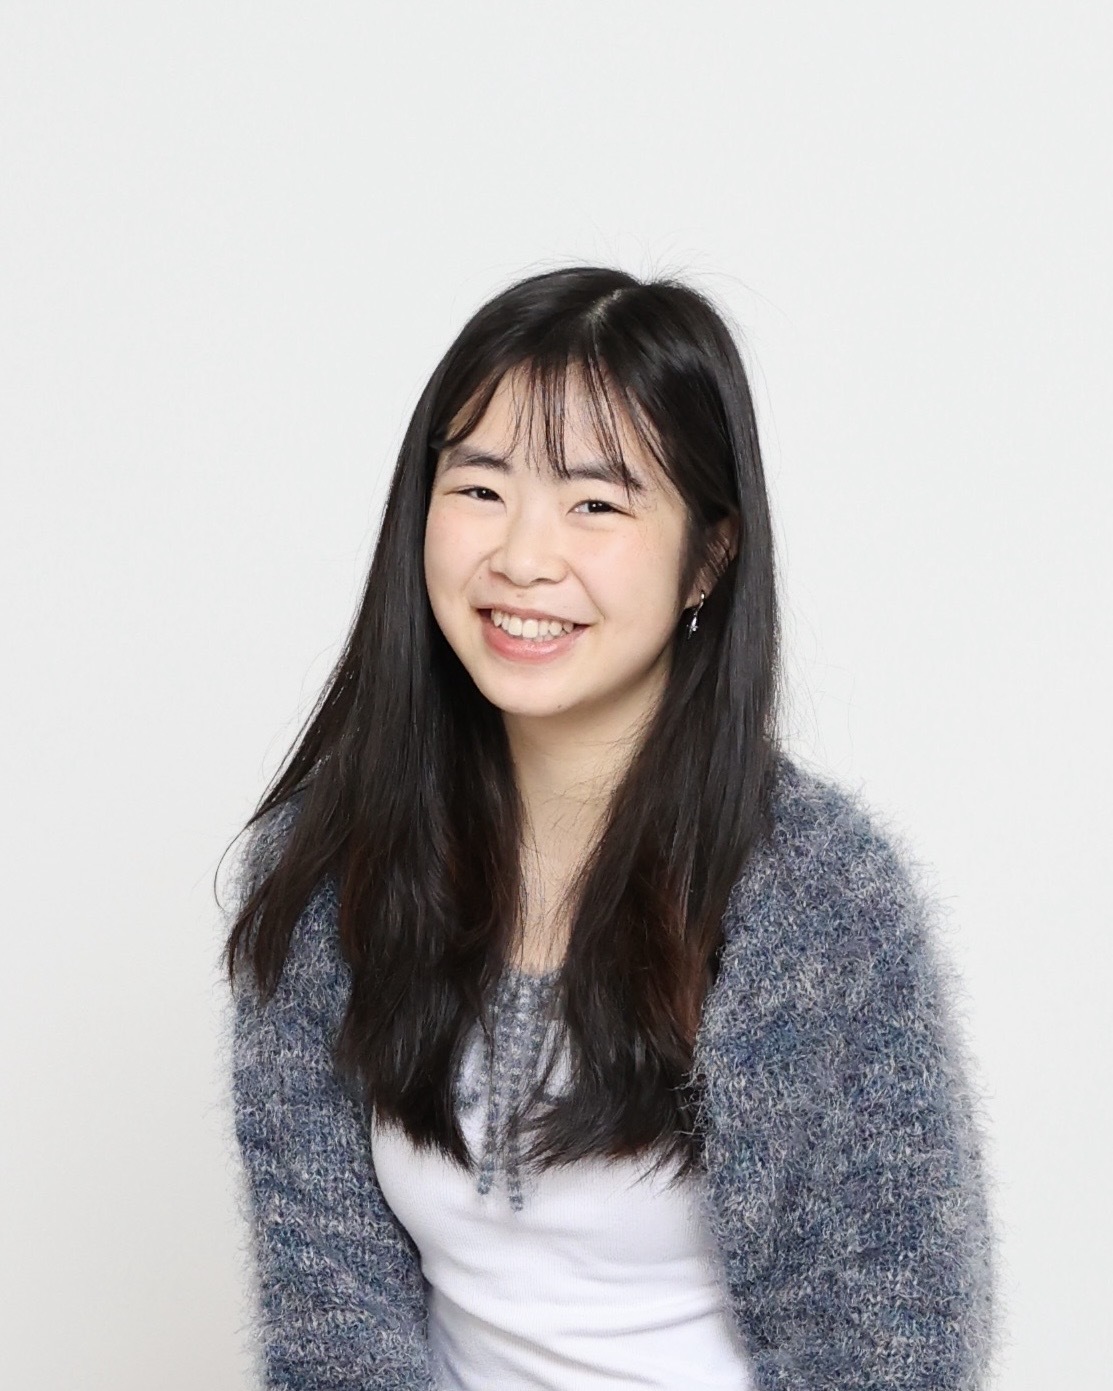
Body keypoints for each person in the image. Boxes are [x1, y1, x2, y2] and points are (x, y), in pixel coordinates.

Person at [224, 266, 996, 1390]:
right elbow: (328, 1318)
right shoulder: (328, 865)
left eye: (597, 502)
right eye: (480, 488)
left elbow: (895, 1348)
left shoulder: (819, 901)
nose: (523, 557)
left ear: (711, 554)